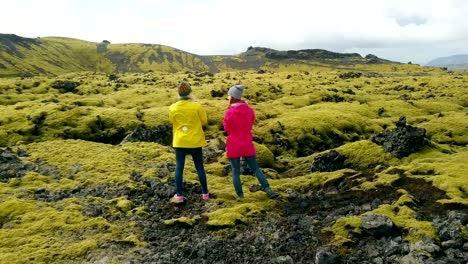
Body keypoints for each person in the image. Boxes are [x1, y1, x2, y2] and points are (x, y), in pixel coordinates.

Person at [223, 84, 280, 199]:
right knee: (255, 168)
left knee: (235, 171)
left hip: (234, 144)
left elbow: (226, 128)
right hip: (247, 143)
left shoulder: (229, 112)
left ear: (233, 97)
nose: (228, 98)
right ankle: (268, 189)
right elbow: (250, 123)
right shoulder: (250, 111)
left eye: (229, 96)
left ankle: (240, 196)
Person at [169, 80, 209, 203]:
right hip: (195, 141)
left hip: (180, 141)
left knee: (179, 167)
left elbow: (172, 121)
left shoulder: (173, 107)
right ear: (190, 93)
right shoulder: (197, 106)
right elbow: (204, 121)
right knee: (199, 166)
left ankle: (179, 195)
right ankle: (205, 194)